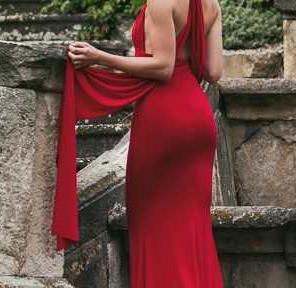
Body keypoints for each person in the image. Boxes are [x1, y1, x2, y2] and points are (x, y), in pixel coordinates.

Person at [51, 0, 225, 286]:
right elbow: (214, 71)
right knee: (193, 230)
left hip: (163, 118)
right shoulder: (212, 4)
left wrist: (100, 57)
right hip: (199, 119)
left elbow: (164, 67)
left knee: (153, 228)